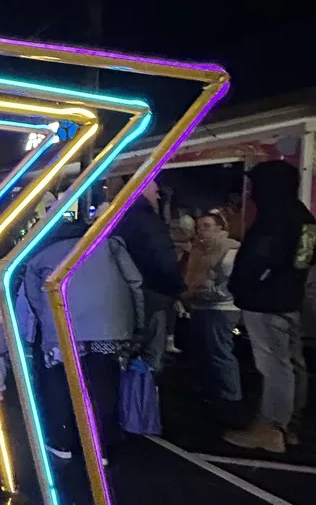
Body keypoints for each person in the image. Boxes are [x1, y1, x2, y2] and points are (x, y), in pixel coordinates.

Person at [21, 214, 143, 460]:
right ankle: (100, 448)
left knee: (60, 382)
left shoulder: (43, 253)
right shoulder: (110, 245)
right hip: (109, 327)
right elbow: (135, 284)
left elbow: (33, 293)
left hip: (63, 327)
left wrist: (47, 322)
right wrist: (137, 323)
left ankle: (61, 442)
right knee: (102, 384)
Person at [226, 160, 316, 452]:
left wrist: (241, 286)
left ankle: (271, 427)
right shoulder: (304, 219)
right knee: (291, 363)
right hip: (289, 298)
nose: (252, 192)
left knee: (274, 365)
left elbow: (258, 261)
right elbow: (305, 260)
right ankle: (289, 424)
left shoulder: (275, 218)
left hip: (265, 301)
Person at [116, 177, 184, 372]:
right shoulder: (149, 222)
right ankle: (145, 387)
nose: (158, 196)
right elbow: (162, 258)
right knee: (151, 354)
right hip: (152, 293)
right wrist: (177, 288)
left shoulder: (119, 218)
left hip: (123, 295)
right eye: (155, 192)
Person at [183, 212, 242, 405]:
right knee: (203, 351)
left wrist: (210, 292)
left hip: (221, 307)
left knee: (219, 352)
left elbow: (232, 282)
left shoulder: (230, 249)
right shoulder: (198, 250)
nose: (202, 231)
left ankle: (230, 395)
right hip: (199, 305)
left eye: (207, 226)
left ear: (220, 227)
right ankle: (211, 390)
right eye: (199, 227)